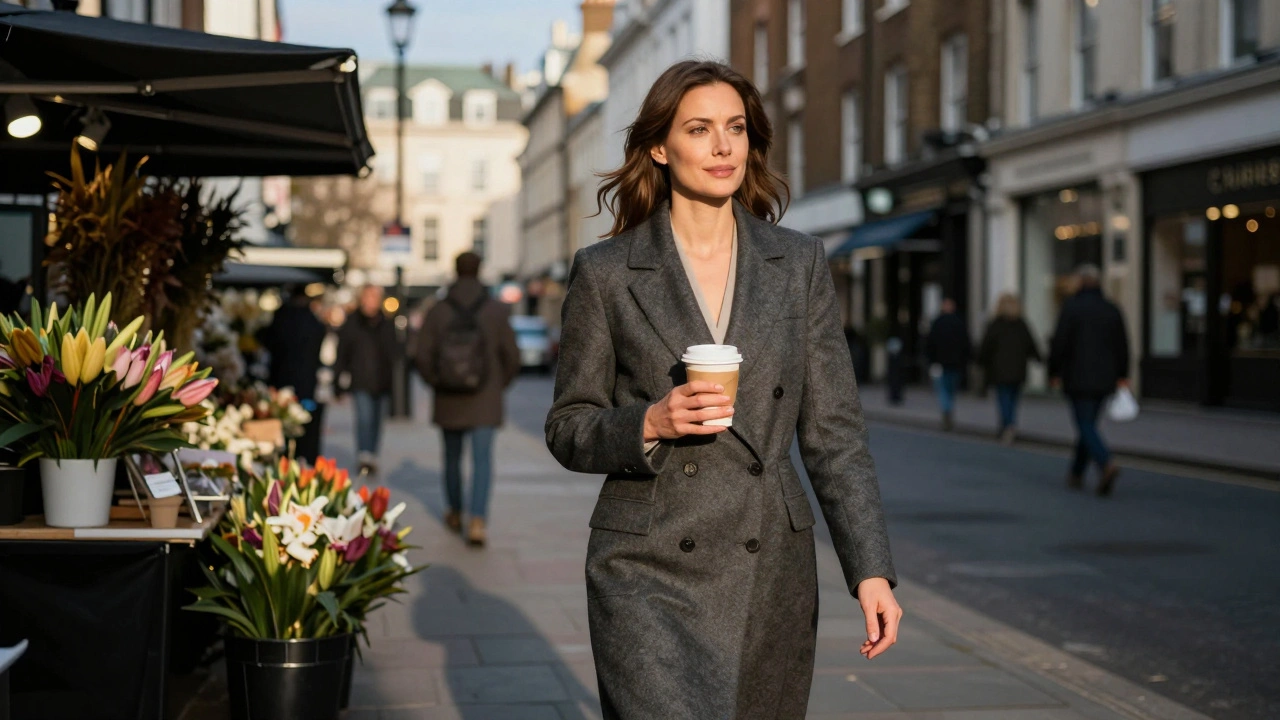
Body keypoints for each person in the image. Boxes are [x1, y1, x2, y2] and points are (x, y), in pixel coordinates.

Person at [545, 60, 900, 719]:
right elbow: (568, 424)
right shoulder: (606, 272)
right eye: (700, 128)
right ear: (660, 146)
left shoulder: (797, 263)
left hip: (767, 565)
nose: (722, 146)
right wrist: (649, 421)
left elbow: (834, 433)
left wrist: (870, 568)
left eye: (735, 128)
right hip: (645, 566)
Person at [414, 252, 520, 546]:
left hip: (448, 397)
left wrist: (436, 382)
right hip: (485, 398)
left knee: (451, 457)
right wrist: (499, 384)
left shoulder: (437, 310)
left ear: (455, 270)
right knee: (482, 460)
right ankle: (477, 520)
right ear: (479, 271)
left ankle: (454, 511)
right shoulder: (496, 310)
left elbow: (421, 355)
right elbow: (512, 356)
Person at [1049, 264, 1130, 496]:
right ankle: (1076, 473)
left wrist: (1053, 372)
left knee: (1085, 425)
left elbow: (1059, 343)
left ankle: (1106, 463)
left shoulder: (1071, 308)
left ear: (1081, 282)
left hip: (1077, 377)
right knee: (1089, 425)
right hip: (1106, 378)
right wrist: (1123, 375)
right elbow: (1122, 344)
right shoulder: (1111, 309)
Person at [334, 284, 399, 476]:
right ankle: (364, 456)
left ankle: (372, 454)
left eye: (375, 297)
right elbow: (342, 353)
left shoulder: (386, 323)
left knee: (377, 421)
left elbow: (394, 353)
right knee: (364, 419)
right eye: (369, 296)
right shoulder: (352, 323)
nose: (372, 300)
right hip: (361, 380)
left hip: (382, 381)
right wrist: (337, 382)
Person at [258, 286, 328, 462]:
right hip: (306, 382)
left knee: (282, 422)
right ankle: (303, 458)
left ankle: (282, 458)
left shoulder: (282, 317)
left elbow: (269, 341)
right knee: (304, 422)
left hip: (281, 379)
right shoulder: (312, 321)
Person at [978, 293, 1042, 444]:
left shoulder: (996, 324)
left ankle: (1008, 425)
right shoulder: (1021, 324)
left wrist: (981, 361)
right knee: (1013, 399)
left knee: (1004, 398)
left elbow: (986, 346)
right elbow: (1031, 344)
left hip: (999, 369)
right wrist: (1039, 358)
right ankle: (1009, 424)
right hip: (1018, 369)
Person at [924, 297, 971, 431]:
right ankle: (948, 410)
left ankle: (946, 410)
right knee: (950, 389)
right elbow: (966, 344)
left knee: (943, 389)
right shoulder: (959, 323)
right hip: (956, 363)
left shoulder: (937, 323)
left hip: (941, 363)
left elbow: (930, 344)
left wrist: (931, 360)